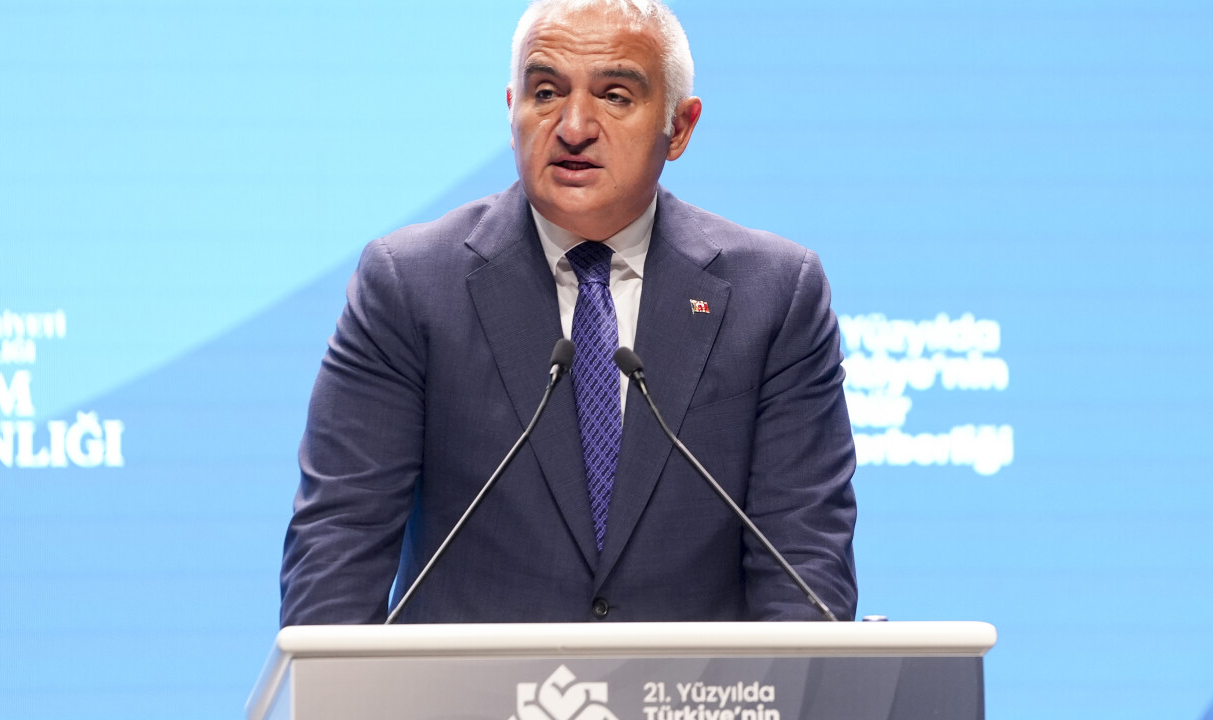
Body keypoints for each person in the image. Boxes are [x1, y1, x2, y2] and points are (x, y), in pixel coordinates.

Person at [280, 0, 857, 625]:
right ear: (512, 113)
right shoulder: (410, 285)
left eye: (615, 96)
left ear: (679, 127)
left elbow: (803, 575)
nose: (574, 126)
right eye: (546, 92)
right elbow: (337, 554)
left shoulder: (774, 296)